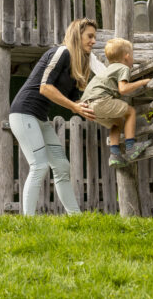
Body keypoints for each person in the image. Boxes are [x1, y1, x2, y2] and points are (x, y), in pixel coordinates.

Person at [9, 18, 98, 216]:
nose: (93, 41)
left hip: (40, 118)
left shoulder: (78, 63)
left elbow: (76, 99)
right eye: (90, 36)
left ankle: (76, 217)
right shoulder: (62, 52)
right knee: (39, 165)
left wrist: (91, 108)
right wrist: (75, 107)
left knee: (61, 166)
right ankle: (27, 221)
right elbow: (45, 88)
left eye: (94, 37)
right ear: (77, 35)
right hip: (23, 113)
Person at [80, 38, 152, 168]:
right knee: (131, 112)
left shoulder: (108, 69)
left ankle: (115, 154)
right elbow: (123, 89)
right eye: (132, 55)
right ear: (127, 56)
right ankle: (131, 148)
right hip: (101, 100)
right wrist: (142, 82)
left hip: (87, 107)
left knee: (117, 122)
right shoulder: (123, 68)